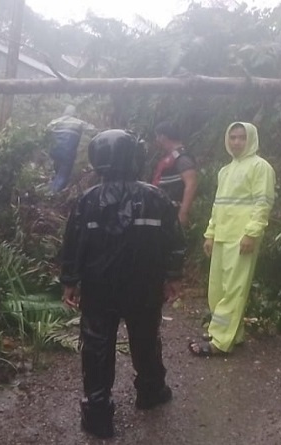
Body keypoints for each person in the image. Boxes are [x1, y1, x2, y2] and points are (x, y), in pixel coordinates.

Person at [59, 129, 186, 439]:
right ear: (136, 157)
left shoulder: (87, 201)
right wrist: (172, 277)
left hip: (99, 288)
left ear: (97, 159)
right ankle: (151, 390)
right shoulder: (156, 197)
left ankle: (98, 414)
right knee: (145, 337)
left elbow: (73, 245)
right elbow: (176, 242)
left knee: (97, 345)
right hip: (144, 285)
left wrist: (70, 282)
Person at [189, 122, 275, 356]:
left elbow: (263, 203)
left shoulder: (260, 167)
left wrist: (251, 233)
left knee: (234, 290)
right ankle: (231, 333)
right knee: (217, 288)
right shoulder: (225, 170)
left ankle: (220, 341)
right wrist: (210, 234)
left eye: (242, 138)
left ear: (251, 140)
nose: (237, 142)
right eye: (233, 137)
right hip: (222, 237)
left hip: (242, 238)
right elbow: (219, 205)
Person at [150, 121, 198, 227]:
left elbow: (191, 184)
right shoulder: (169, 157)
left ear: (163, 137)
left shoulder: (182, 158)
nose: (156, 140)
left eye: (157, 137)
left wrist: (183, 213)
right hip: (164, 211)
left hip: (174, 212)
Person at [46, 105, 95, 192]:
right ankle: (53, 193)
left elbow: (46, 131)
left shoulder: (55, 121)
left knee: (58, 171)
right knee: (64, 174)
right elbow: (92, 130)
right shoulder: (78, 122)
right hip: (67, 152)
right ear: (74, 113)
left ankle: (52, 188)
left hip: (54, 151)